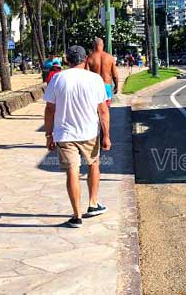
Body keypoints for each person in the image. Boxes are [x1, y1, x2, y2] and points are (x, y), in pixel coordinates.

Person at [44, 45, 110, 228]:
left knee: (72, 170)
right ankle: (93, 203)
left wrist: (49, 135)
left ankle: (76, 216)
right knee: (93, 164)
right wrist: (107, 136)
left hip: (64, 133)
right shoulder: (95, 79)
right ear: (85, 60)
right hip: (89, 132)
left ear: (68, 61)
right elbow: (103, 111)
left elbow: (50, 109)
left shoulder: (57, 78)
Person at [86, 38, 119, 106]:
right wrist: (116, 86)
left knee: (95, 108)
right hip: (106, 85)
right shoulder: (110, 57)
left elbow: (86, 74)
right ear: (103, 45)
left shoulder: (89, 58)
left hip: (94, 86)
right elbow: (115, 75)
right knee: (106, 109)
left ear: (93, 45)